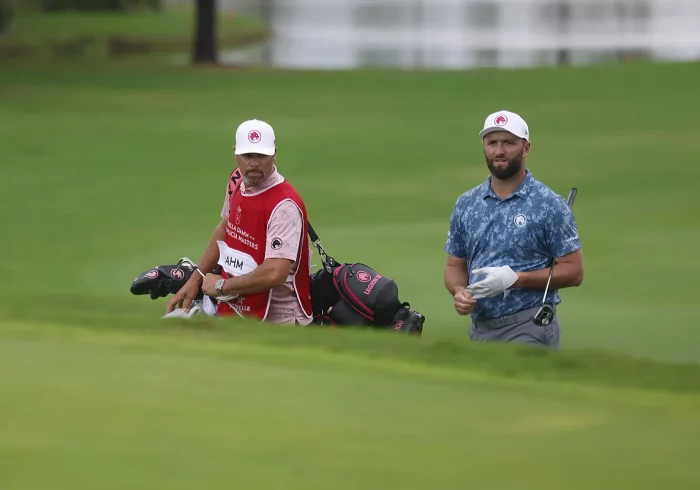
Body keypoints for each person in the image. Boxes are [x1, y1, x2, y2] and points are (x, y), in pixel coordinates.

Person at [443, 110, 584, 348]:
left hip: (530, 326)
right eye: (492, 143)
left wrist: (515, 279)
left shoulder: (548, 204)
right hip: (481, 329)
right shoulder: (467, 204)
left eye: (508, 143)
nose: (499, 151)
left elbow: (574, 272)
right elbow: (454, 265)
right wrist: (459, 292)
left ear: (526, 148)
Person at [166, 119, 314, 325]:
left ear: (274, 154)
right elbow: (225, 228)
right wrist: (196, 278)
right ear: (236, 153)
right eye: (248, 156)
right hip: (236, 307)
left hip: (280, 320)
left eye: (262, 156)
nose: (254, 163)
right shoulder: (236, 181)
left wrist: (221, 286)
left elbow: (275, 272)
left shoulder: (284, 205)